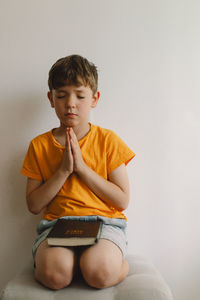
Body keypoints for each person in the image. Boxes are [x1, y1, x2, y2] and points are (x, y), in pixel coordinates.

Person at [21, 54, 135, 290]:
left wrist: (82, 169)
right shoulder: (39, 146)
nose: (70, 103)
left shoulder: (108, 140)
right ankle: (72, 264)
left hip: (104, 224)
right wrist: (63, 170)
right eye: (61, 96)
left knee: (99, 271)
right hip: (57, 225)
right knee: (54, 275)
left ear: (94, 99)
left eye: (80, 96)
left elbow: (122, 200)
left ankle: (120, 265)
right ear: (51, 99)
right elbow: (33, 204)